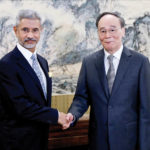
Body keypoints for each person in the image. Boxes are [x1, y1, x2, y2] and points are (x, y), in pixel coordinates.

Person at [65, 12, 150, 150]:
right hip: (98, 141)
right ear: (98, 33)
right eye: (102, 31)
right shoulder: (89, 62)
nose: (107, 35)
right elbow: (81, 98)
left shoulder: (140, 62)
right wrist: (72, 115)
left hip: (129, 141)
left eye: (112, 30)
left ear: (123, 31)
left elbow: (146, 109)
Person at [0, 9, 69, 150]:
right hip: (17, 142)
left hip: (41, 139)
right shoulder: (6, 65)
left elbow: (41, 99)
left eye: (35, 30)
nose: (30, 35)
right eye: (25, 30)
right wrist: (56, 116)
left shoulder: (43, 62)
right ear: (15, 30)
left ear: (41, 31)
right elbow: (20, 106)